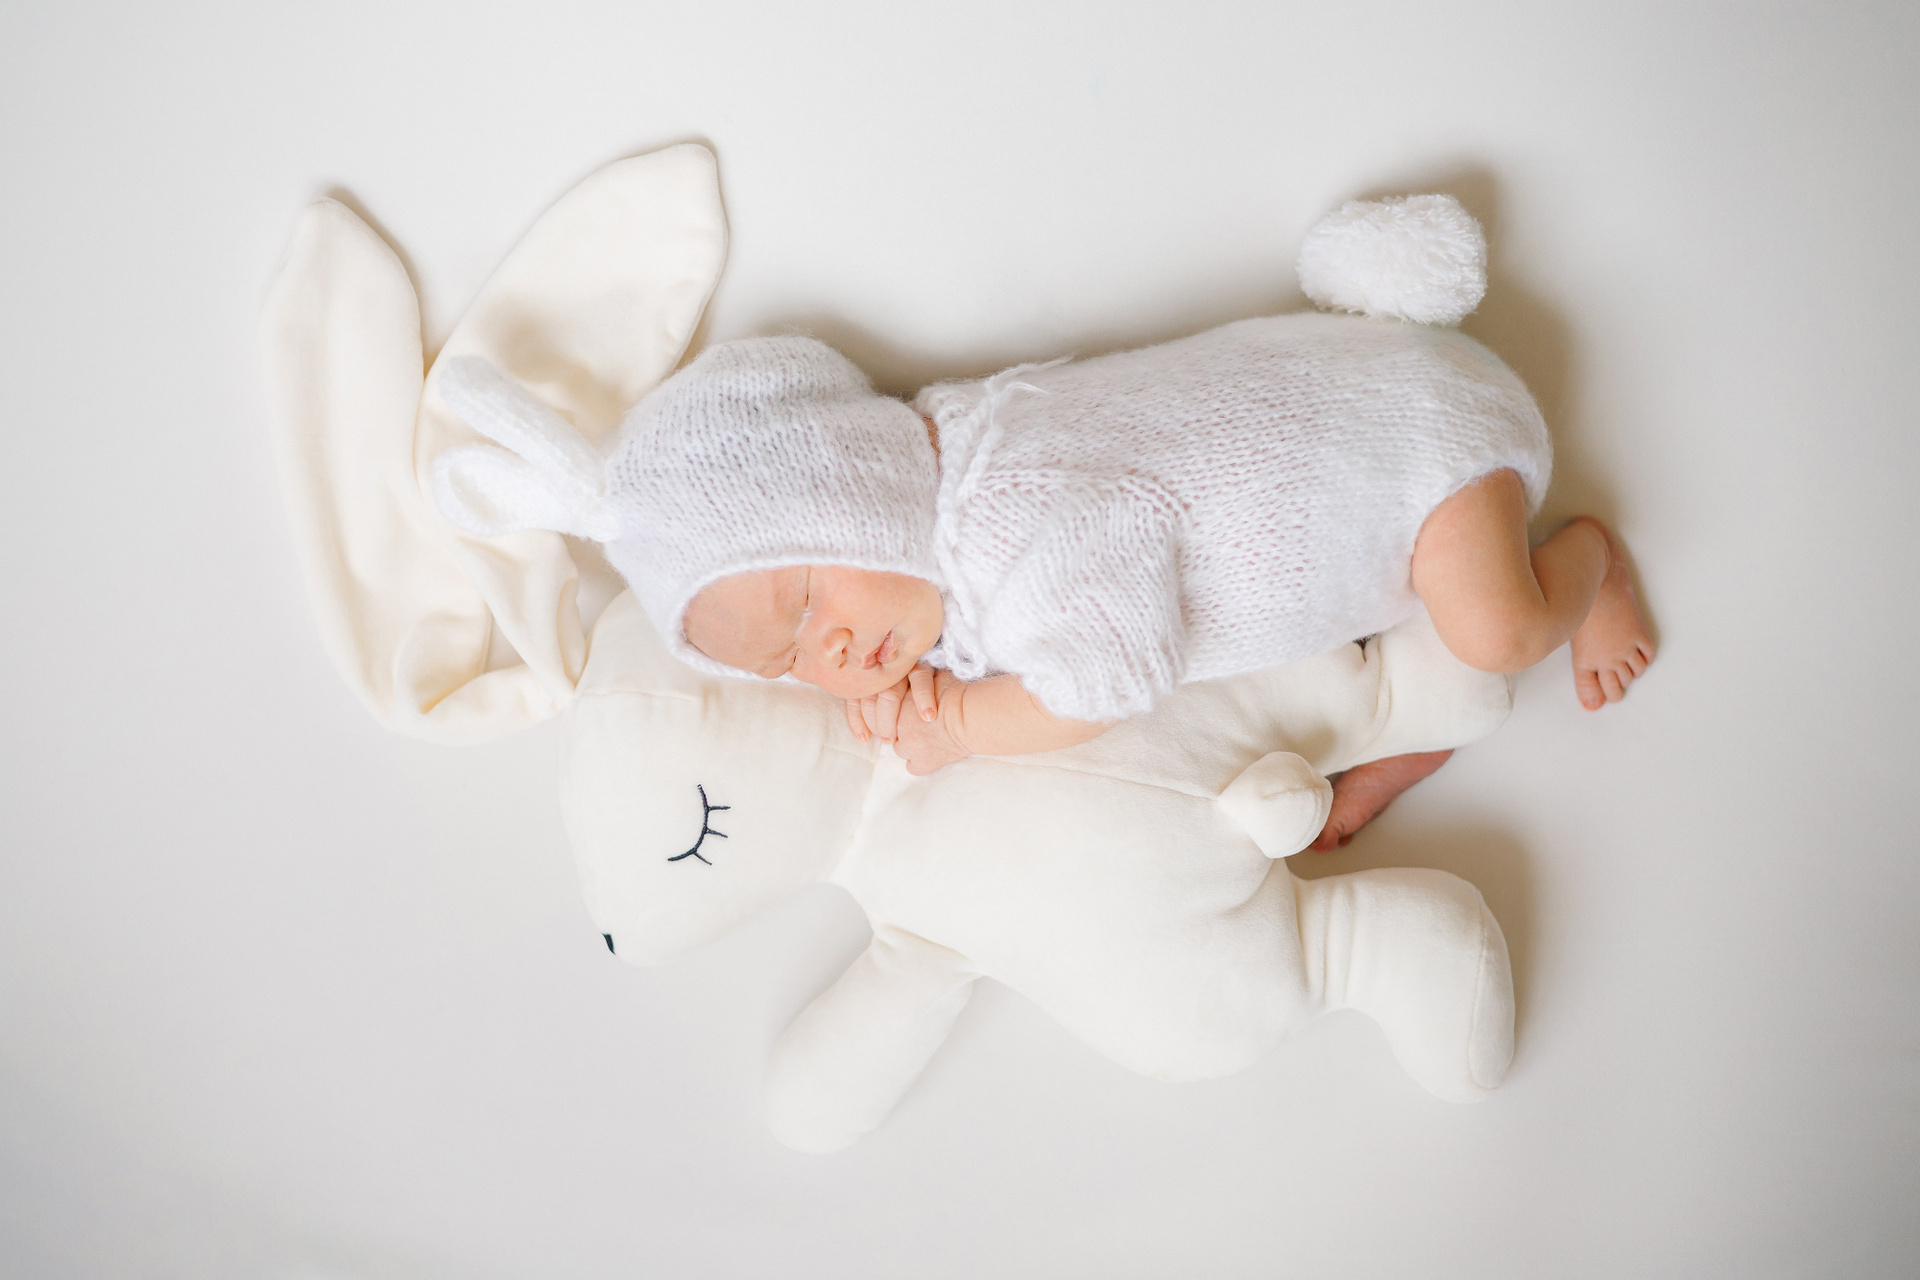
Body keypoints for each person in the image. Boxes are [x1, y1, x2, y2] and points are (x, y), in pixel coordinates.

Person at [439, 317, 1654, 849]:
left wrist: (962, 723)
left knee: (1493, 630)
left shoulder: (1007, 504)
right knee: (1378, 667)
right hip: (1350, 558)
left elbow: (1111, 671)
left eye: (808, 605)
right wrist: (921, 679)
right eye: (786, 659)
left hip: (1421, 445)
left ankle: (1587, 563)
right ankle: (1416, 737)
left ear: (843, 481)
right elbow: (947, 621)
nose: (829, 655)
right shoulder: (934, 525)